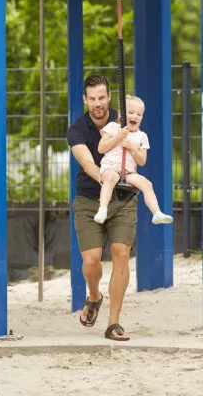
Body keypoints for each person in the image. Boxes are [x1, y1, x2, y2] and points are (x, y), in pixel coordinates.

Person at [66, 74, 136, 341]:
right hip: (88, 201)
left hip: (123, 199)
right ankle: (94, 296)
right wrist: (107, 177)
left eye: (102, 98)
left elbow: (140, 145)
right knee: (91, 260)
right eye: (92, 99)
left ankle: (113, 323)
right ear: (85, 99)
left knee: (121, 254)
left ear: (109, 97)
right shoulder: (77, 129)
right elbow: (87, 163)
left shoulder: (122, 119)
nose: (98, 103)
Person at [94, 94, 173, 226]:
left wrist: (131, 148)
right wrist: (117, 137)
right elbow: (101, 148)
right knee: (110, 178)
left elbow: (142, 161)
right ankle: (102, 209)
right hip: (111, 167)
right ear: (121, 115)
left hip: (129, 172)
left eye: (139, 114)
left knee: (147, 184)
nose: (135, 116)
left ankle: (157, 213)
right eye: (131, 112)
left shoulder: (142, 136)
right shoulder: (113, 127)